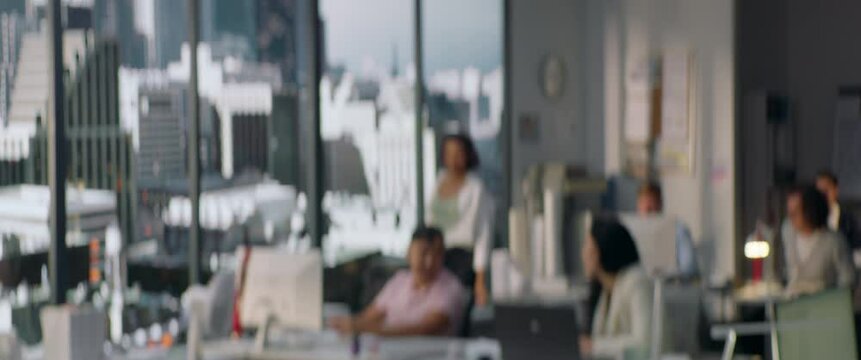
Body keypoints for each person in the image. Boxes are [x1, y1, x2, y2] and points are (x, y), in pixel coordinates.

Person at [329, 227, 465, 337]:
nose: (429, 262)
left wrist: (365, 329)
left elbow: (424, 329)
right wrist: (347, 324)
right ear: (409, 253)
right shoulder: (400, 280)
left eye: (437, 254)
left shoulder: (451, 287)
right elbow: (371, 315)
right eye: (424, 253)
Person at [427, 134, 494, 305]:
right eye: (449, 153)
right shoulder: (439, 181)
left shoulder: (476, 188)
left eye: (458, 153)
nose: (453, 159)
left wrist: (480, 280)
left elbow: (483, 235)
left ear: (467, 155)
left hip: (461, 260)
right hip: (435, 257)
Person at [579, 217, 653, 358]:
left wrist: (594, 346)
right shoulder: (604, 291)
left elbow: (645, 342)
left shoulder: (636, 282)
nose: (583, 253)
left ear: (601, 249)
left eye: (587, 246)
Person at [781, 185, 855, 296]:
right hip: (792, 304)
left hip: (822, 306)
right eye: (790, 212)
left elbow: (848, 281)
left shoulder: (834, 242)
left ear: (811, 211)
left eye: (796, 212)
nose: (791, 217)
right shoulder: (788, 231)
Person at [637, 182, 698, 278]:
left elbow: (688, 267)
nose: (648, 211)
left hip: (671, 288)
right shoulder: (632, 233)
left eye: (652, 205)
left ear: (660, 205)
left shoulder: (678, 230)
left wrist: (662, 273)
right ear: (638, 207)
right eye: (645, 205)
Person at [815, 171, 859, 250]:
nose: (823, 195)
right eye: (819, 192)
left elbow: (857, 246)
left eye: (826, 190)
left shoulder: (849, 219)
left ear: (836, 190)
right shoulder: (810, 217)